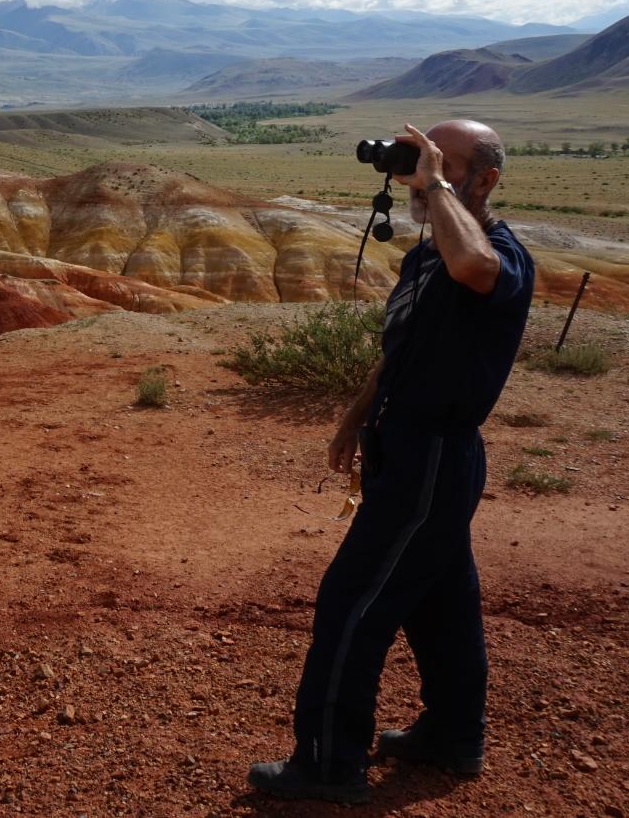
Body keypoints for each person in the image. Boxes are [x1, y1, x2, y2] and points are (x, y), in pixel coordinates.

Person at [249, 120, 536, 804]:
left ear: (486, 179)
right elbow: (398, 350)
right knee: (441, 602)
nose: (420, 172)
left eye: (442, 162)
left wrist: (435, 185)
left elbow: (476, 270)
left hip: (434, 455)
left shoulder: (499, 254)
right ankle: (453, 736)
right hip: (404, 446)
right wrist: (355, 417)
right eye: (416, 157)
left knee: (352, 600)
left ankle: (328, 764)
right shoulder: (425, 256)